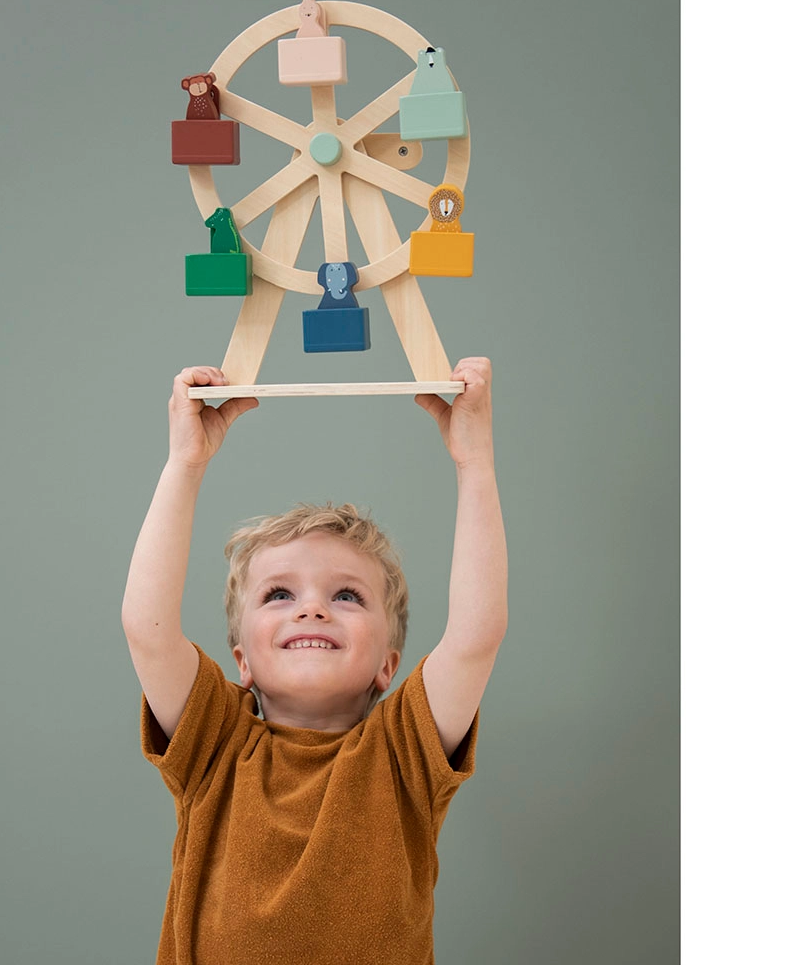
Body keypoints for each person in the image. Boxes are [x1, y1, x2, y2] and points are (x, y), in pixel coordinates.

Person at [121, 360, 508, 965]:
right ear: (241, 660)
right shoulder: (214, 742)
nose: (312, 611)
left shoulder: (404, 752)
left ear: (389, 665)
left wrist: (474, 464)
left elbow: (475, 636)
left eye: (347, 596)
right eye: (280, 594)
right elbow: (146, 630)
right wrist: (184, 464)